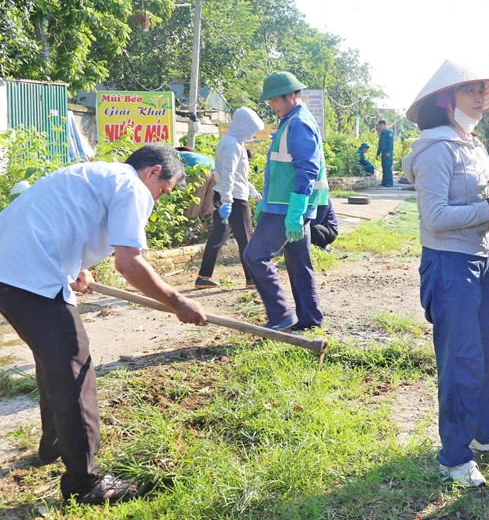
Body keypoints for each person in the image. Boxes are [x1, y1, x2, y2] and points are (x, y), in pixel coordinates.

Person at [0, 143, 207, 505]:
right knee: (75, 368)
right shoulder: (132, 186)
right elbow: (128, 263)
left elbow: (63, 219)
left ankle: (52, 447)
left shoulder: (98, 174)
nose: (157, 200)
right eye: (163, 191)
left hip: (12, 267)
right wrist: (177, 301)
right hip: (29, 273)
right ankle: (86, 482)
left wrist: (76, 267)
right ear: (154, 171)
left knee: (55, 362)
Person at [401, 59, 489, 487]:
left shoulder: (472, 144)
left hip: (482, 259)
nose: (479, 97)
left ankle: (486, 433)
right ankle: (454, 456)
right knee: (463, 361)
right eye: (470, 90)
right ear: (446, 99)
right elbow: (435, 217)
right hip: (449, 264)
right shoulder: (435, 148)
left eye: (481, 90)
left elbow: (487, 194)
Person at [245, 71, 329, 331]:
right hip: (286, 204)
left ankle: (281, 315)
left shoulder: (298, 123)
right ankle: (309, 318)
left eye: (275, 100)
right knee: (298, 262)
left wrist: (295, 210)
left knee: (255, 256)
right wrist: (266, 200)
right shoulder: (290, 120)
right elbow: (283, 168)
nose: (272, 104)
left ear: (291, 95)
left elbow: (307, 169)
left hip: (287, 207)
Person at [195, 107, 265, 289]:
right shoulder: (231, 145)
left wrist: (253, 192)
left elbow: (239, 176)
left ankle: (204, 276)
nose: (252, 133)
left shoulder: (234, 143)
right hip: (232, 198)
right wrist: (227, 200)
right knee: (246, 237)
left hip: (229, 194)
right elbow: (228, 174)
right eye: (251, 129)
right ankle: (252, 279)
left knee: (219, 235)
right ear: (243, 126)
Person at [376, 120, 395, 186]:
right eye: (379, 126)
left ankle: (389, 183)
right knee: (384, 167)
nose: (380, 127)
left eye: (381, 125)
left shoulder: (389, 133)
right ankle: (384, 182)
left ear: (385, 125)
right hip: (383, 153)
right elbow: (380, 145)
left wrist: (389, 152)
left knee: (388, 167)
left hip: (387, 153)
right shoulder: (382, 134)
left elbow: (390, 143)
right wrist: (377, 153)